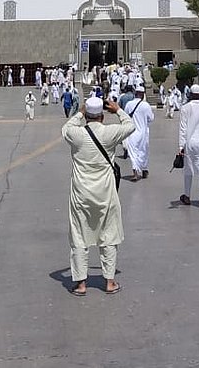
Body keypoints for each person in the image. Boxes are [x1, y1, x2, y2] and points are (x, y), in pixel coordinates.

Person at [61, 96, 133, 296]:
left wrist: (80, 112)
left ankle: (81, 284)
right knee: (109, 234)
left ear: (87, 115)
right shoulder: (110, 132)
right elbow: (130, 126)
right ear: (102, 115)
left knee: (79, 236)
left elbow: (66, 127)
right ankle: (109, 281)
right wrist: (118, 110)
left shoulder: (76, 134)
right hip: (106, 192)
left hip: (81, 193)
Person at [124, 86, 154, 179]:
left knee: (133, 152)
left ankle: (135, 172)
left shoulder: (129, 104)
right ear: (143, 94)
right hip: (143, 132)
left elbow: (125, 117)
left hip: (132, 132)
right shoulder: (146, 105)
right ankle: (144, 169)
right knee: (143, 151)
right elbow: (151, 118)